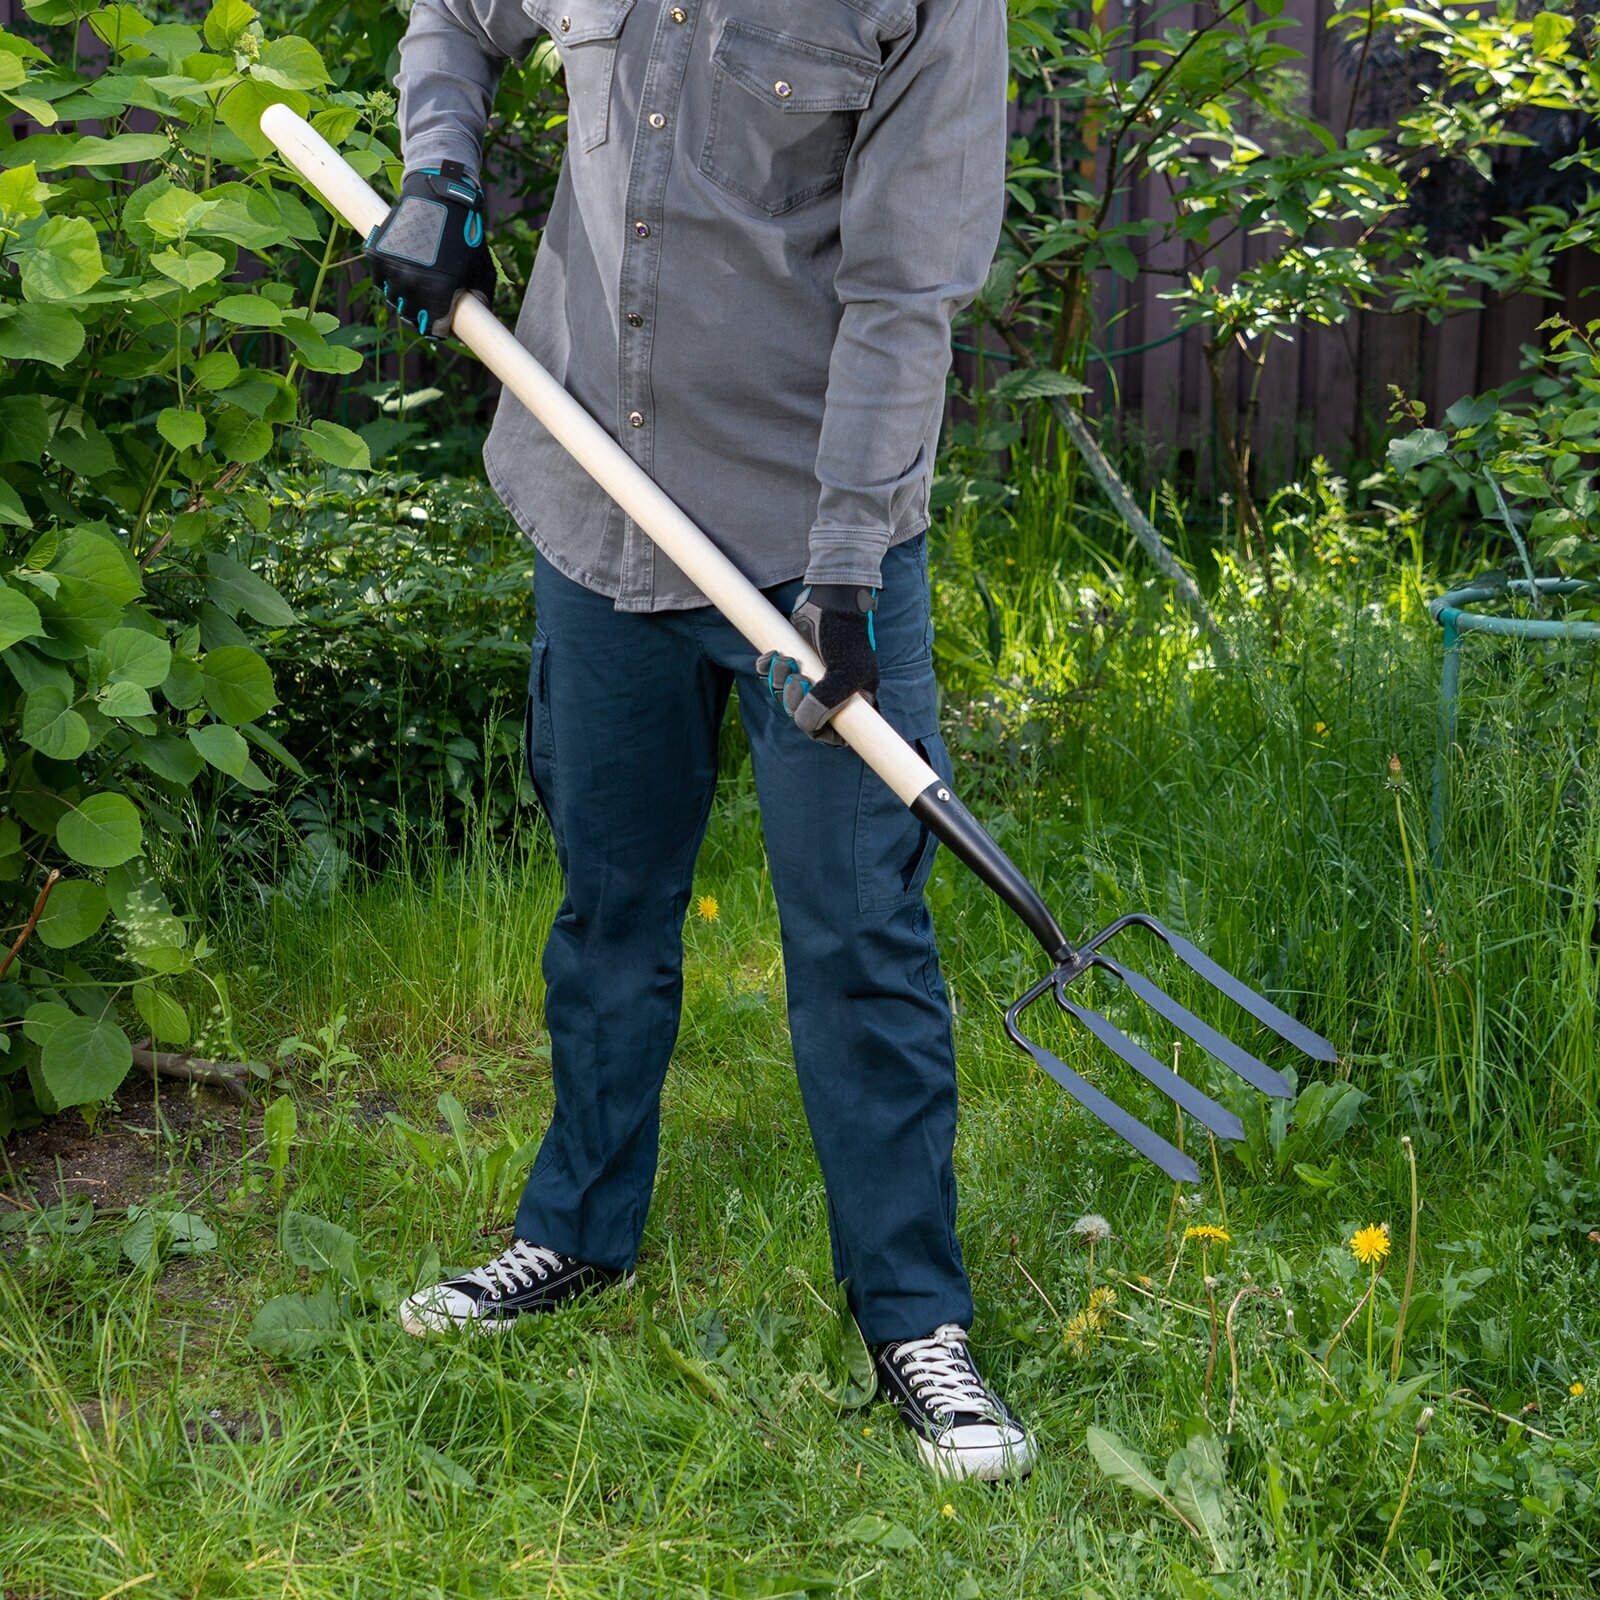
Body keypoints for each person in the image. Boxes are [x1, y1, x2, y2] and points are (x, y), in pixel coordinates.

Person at [366, 0, 1030, 1481]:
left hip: (811, 541)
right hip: (595, 493)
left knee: (859, 931)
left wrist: (848, 570)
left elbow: (907, 287)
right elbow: (453, 18)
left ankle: (914, 1317)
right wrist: (440, 172)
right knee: (610, 905)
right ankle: (576, 1231)